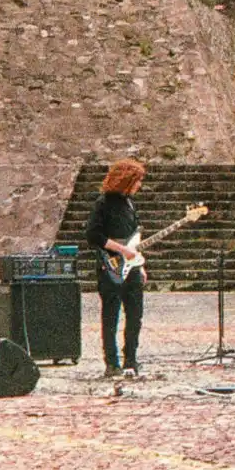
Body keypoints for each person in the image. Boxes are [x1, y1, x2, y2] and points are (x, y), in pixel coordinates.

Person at [85, 157, 147, 378]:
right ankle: (111, 363)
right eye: (137, 180)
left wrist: (139, 263)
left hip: (132, 268)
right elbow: (93, 236)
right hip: (109, 267)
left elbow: (135, 240)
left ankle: (131, 359)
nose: (139, 185)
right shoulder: (103, 203)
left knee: (135, 315)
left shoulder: (130, 204)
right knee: (111, 315)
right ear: (126, 180)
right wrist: (121, 250)